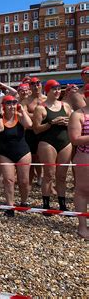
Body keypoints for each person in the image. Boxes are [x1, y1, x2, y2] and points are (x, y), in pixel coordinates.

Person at [33, 80, 72, 212]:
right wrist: (51, 123)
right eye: (54, 89)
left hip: (65, 142)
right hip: (47, 142)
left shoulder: (65, 106)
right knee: (49, 174)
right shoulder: (40, 108)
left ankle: (62, 204)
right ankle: (46, 204)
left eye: (59, 89)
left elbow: (73, 124)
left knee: (62, 176)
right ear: (47, 91)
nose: (57, 91)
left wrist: (68, 123)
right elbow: (36, 129)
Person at [0, 95, 32, 217]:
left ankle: (24, 201)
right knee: (9, 180)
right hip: (6, 153)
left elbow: (29, 124)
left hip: (22, 151)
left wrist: (23, 111)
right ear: (4, 106)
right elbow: (0, 129)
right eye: (9, 103)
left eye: (14, 103)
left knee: (24, 181)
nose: (12, 105)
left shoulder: (19, 116)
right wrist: (0, 115)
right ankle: (10, 205)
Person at [68, 83, 89, 239]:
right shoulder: (78, 114)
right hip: (85, 156)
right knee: (82, 190)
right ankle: (82, 226)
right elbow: (75, 140)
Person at [23, 77, 47, 186]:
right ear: (30, 86)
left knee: (44, 156)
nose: (36, 86)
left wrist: (34, 116)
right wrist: (40, 115)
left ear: (41, 85)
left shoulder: (46, 99)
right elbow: (25, 115)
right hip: (31, 132)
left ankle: (42, 177)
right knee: (32, 157)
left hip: (45, 130)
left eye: (38, 83)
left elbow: (52, 112)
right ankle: (31, 179)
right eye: (33, 84)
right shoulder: (26, 101)